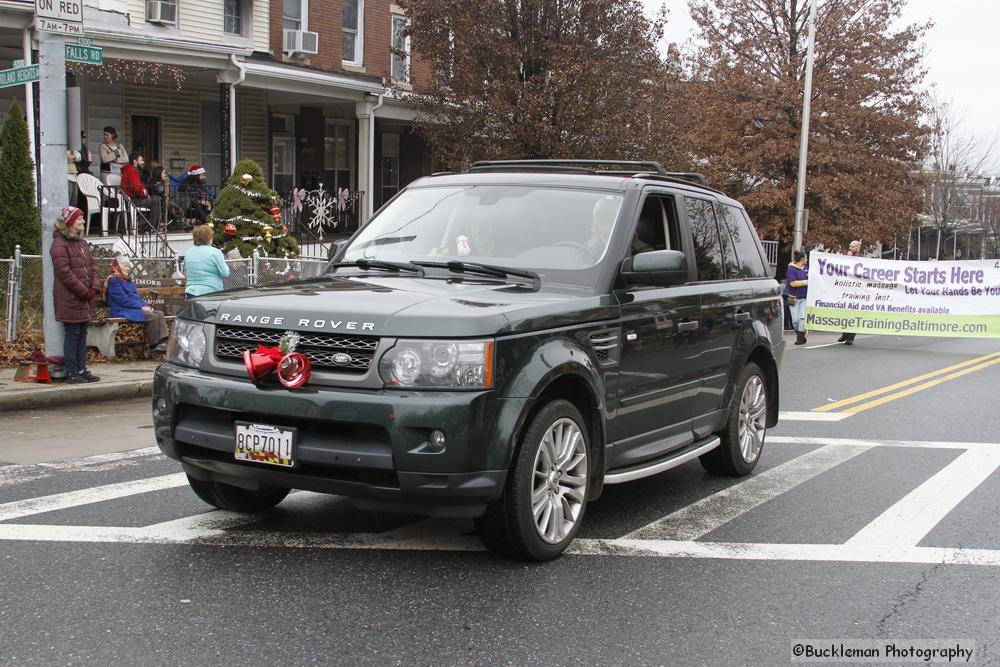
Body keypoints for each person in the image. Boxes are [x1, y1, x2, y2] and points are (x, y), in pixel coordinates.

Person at [50, 206, 101, 384]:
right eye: (80, 219)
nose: (83, 222)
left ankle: (81, 368)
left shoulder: (82, 243)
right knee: (73, 334)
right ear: (70, 222)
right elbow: (64, 272)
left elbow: (92, 267)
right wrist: (83, 291)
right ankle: (72, 371)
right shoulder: (59, 244)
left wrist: (94, 286)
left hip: (84, 298)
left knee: (82, 333)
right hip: (70, 298)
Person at [103, 256, 170, 353]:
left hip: (132, 308)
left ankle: (162, 342)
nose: (127, 268)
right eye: (125, 266)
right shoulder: (114, 281)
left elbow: (137, 296)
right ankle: (153, 346)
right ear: (117, 267)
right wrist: (141, 307)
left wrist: (146, 306)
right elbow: (123, 300)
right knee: (151, 316)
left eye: (128, 266)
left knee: (159, 314)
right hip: (122, 310)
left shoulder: (127, 280)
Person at [183, 224, 230, 299]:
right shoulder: (215, 252)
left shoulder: (188, 253)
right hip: (211, 292)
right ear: (208, 238)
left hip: (191, 292)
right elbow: (225, 273)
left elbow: (186, 272)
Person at [121, 150, 161, 227]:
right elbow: (136, 188)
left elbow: (139, 186)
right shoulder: (131, 171)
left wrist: (145, 193)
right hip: (132, 200)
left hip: (131, 199)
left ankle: (151, 225)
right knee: (156, 200)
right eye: (141, 160)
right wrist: (145, 194)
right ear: (135, 161)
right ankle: (152, 227)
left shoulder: (130, 170)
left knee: (155, 199)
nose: (143, 162)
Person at [838, 240, 862, 345]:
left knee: (853, 315)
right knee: (845, 314)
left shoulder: (861, 261)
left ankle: (850, 337)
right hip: (846, 290)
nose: (850, 248)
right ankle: (845, 333)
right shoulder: (846, 258)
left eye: (852, 247)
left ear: (858, 248)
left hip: (856, 292)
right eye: (849, 246)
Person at [786, 250, 809, 345]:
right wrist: (806, 282)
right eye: (806, 258)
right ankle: (801, 335)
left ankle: (799, 339)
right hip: (793, 298)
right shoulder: (791, 269)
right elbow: (792, 283)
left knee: (802, 319)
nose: (807, 260)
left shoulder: (807, 269)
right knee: (795, 321)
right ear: (802, 259)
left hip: (804, 298)